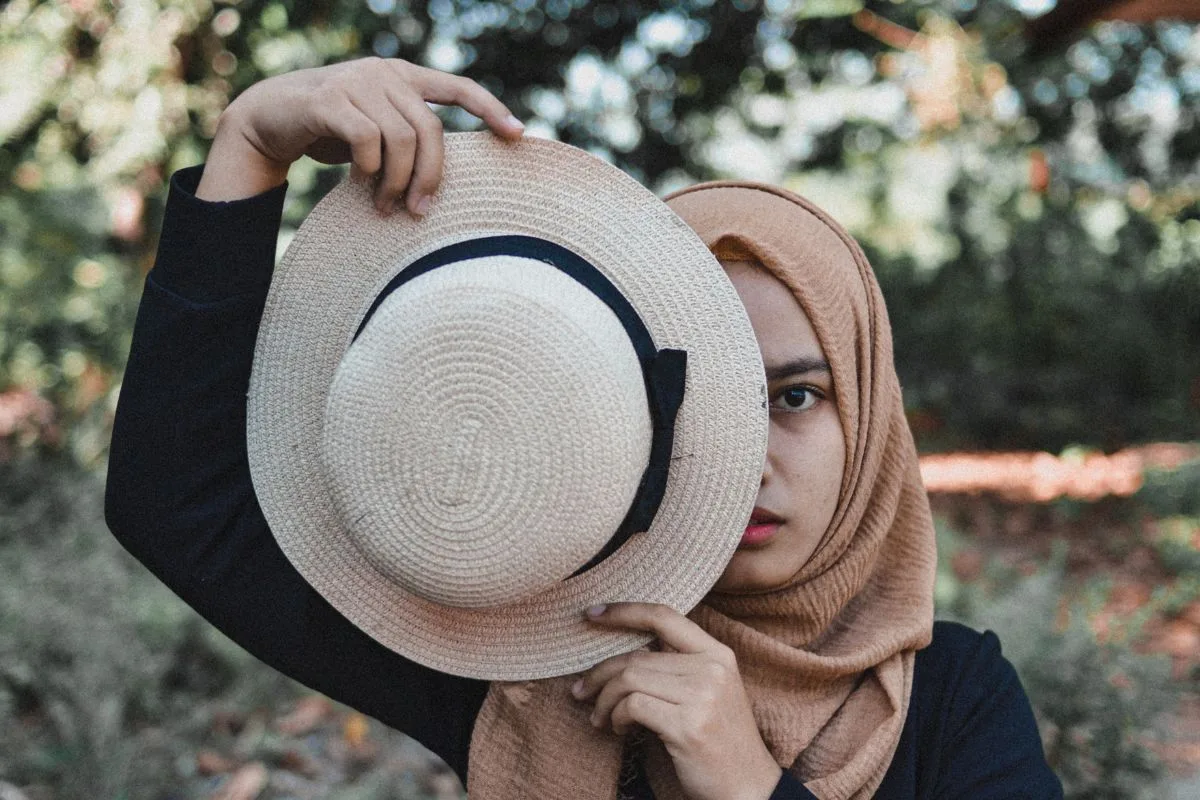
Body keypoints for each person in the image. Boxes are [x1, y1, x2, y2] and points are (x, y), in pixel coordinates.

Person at [105, 57, 1062, 799]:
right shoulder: (529, 654)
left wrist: (748, 785)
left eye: (797, 396)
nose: (749, 457)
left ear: (871, 416)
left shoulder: (952, 696)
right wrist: (248, 143)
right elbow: (177, 504)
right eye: (710, 400)